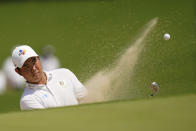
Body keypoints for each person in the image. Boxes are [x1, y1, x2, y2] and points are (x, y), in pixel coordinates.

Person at [12, 45, 87, 110]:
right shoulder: (28, 100)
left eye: (33, 61)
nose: (33, 68)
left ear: (39, 59)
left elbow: (85, 99)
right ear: (18, 72)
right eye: (26, 66)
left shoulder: (64, 73)